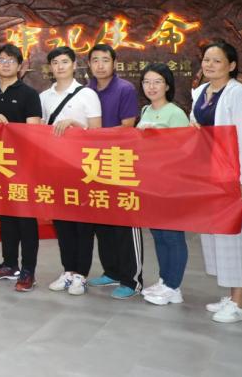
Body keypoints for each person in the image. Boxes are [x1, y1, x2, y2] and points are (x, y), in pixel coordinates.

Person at [191, 40, 242, 323]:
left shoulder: (237, 93)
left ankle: (240, 302)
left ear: (231, 65)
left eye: (217, 60)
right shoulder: (201, 91)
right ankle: (231, 296)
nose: (209, 65)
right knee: (214, 234)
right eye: (206, 60)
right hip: (207, 173)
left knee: (233, 234)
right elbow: (197, 125)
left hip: (230, 174)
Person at [39, 46, 101, 297]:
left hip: (83, 167)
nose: (60, 66)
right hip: (56, 167)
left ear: (74, 65)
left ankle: (81, 275)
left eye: (65, 62)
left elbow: (97, 133)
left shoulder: (87, 94)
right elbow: (41, 131)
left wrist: (76, 125)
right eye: (55, 63)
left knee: (83, 224)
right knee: (62, 223)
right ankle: (68, 270)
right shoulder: (45, 96)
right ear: (50, 68)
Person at [0, 44, 43, 292]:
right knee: (5, 216)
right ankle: (9, 264)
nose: (5, 64)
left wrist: (10, 127)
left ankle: (28, 270)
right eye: (1, 60)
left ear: (20, 66)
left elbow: (34, 131)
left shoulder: (29, 94)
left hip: (24, 164)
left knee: (25, 218)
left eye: (10, 60)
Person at [85, 44, 143, 300]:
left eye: (105, 60)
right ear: (89, 64)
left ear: (115, 63)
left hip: (120, 162)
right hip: (94, 163)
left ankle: (132, 280)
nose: (100, 65)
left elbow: (127, 126)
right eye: (95, 60)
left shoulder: (125, 89)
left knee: (124, 223)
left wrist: (94, 135)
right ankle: (111, 271)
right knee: (102, 222)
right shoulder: (86, 90)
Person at [135, 64, 191, 307]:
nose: (152, 87)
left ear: (167, 85)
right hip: (150, 182)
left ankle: (174, 287)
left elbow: (186, 150)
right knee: (158, 234)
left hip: (171, 183)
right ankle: (165, 280)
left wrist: (159, 136)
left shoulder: (175, 113)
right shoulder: (145, 110)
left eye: (157, 82)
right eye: (147, 82)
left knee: (172, 235)